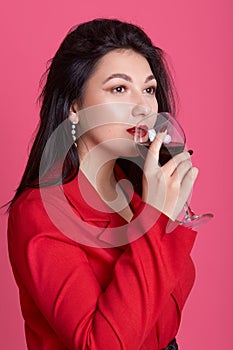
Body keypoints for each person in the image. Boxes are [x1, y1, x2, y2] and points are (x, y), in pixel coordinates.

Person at [7, 18, 199, 350]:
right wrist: (156, 218)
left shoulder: (139, 191)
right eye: (119, 88)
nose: (143, 107)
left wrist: (168, 211)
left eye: (149, 89)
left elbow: (163, 324)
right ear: (75, 106)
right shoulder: (41, 213)